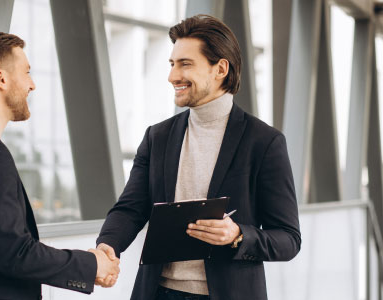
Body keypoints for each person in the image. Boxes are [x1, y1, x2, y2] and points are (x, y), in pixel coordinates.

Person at [95, 15, 301, 300]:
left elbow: (288, 239)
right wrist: (108, 244)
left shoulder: (264, 142)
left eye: (185, 64)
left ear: (220, 69)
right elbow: (130, 209)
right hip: (157, 292)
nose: (173, 76)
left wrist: (238, 235)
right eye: (172, 64)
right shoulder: (158, 137)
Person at [0, 30, 119, 300]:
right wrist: (92, 265)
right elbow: (15, 254)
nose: (32, 84)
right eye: (27, 72)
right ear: (1, 78)